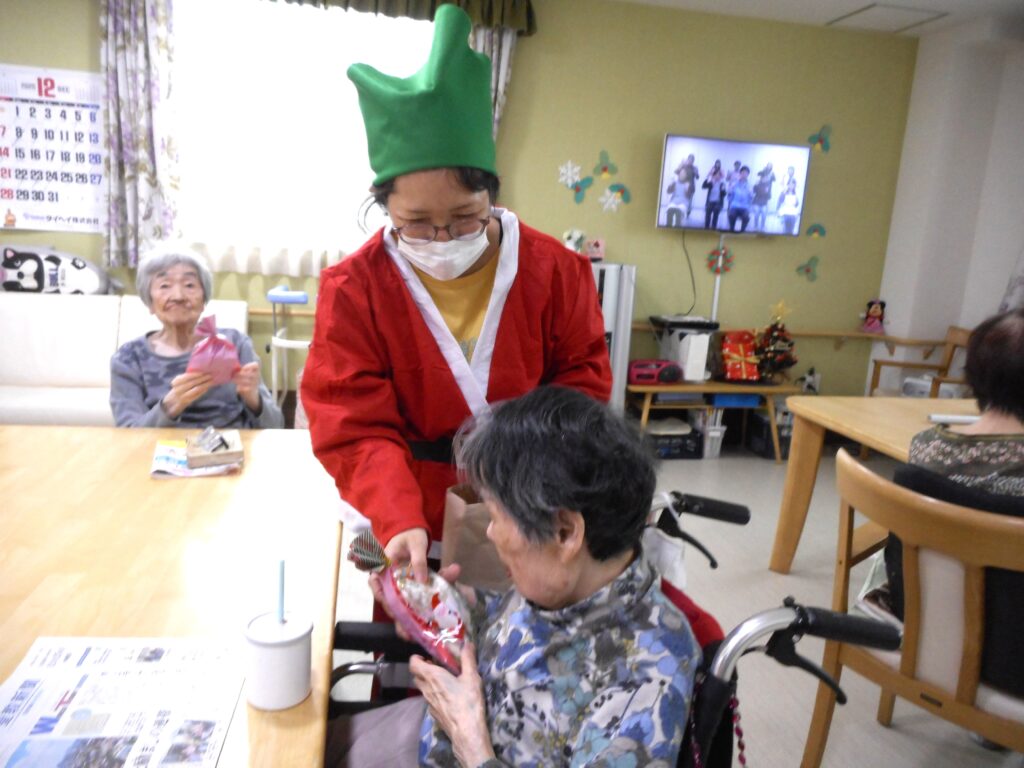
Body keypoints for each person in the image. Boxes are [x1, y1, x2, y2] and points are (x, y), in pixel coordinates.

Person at [301, 6, 611, 583]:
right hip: (406, 508)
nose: (442, 239)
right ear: (383, 207)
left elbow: (580, 391)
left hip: (529, 505)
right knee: (418, 632)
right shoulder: (354, 289)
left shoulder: (557, 272)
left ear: (493, 194)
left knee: (530, 629)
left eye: (466, 217)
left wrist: (535, 489)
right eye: (416, 223)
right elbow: (353, 424)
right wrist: (397, 516)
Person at [327, 386, 700, 767]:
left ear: (565, 533)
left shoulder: (647, 681)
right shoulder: (566, 581)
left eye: (495, 517)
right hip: (432, 734)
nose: (490, 533)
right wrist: (433, 600)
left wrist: (471, 743)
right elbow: (508, 623)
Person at [110, 248, 283, 429]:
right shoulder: (129, 358)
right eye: (165, 286)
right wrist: (169, 406)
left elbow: (276, 425)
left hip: (231, 444)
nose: (178, 296)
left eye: (189, 285)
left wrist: (254, 400)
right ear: (150, 303)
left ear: (204, 300)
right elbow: (128, 434)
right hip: (161, 447)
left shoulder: (234, 343)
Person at [726, 166, 752, 232]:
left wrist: (750, 195)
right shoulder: (734, 184)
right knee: (731, 215)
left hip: (744, 207)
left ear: (748, 175)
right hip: (735, 206)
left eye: (746, 173)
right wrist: (730, 191)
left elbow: (751, 200)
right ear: (740, 174)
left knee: (746, 217)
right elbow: (729, 198)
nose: (744, 175)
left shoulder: (750, 185)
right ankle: (731, 230)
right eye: (743, 173)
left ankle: (742, 232)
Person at [701, 159, 726, 229]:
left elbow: (724, 194)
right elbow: (703, 186)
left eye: (719, 175)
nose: (717, 176)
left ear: (720, 176)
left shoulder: (722, 184)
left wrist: (723, 190)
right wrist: (709, 179)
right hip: (710, 201)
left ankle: (713, 228)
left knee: (716, 212)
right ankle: (706, 228)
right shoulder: (711, 182)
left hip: (718, 202)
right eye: (715, 175)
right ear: (714, 175)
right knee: (708, 213)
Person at [673, 153, 700, 218]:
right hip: (682, 187)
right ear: (687, 159)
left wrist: (696, 173)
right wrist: (681, 165)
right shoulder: (683, 166)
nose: (691, 161)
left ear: (693, 161)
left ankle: (687, 213)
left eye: (692, 160)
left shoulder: (695, 168)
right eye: (689, 159)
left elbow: (697, 177)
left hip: (691, 188)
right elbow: (676, 172)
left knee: (689, 202)